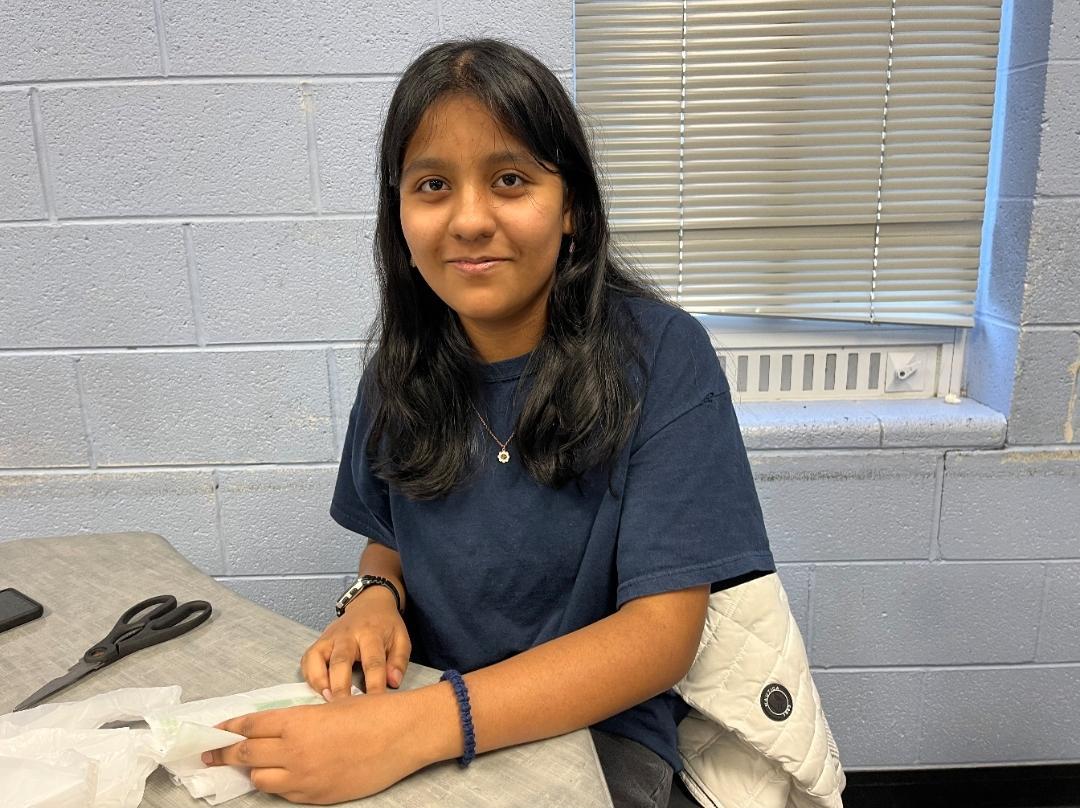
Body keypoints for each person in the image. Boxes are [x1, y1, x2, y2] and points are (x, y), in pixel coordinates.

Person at [201, 38, 776, 808]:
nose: (469, 220)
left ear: (571, 208)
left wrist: (409, 730)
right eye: (433, 185)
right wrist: (373, 595)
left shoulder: (663, 356)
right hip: (420, 703)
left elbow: (659, 637)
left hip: (595, 735)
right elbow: (392, 534)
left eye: (510, 180)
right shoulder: (398, 372)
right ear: (400, 216)